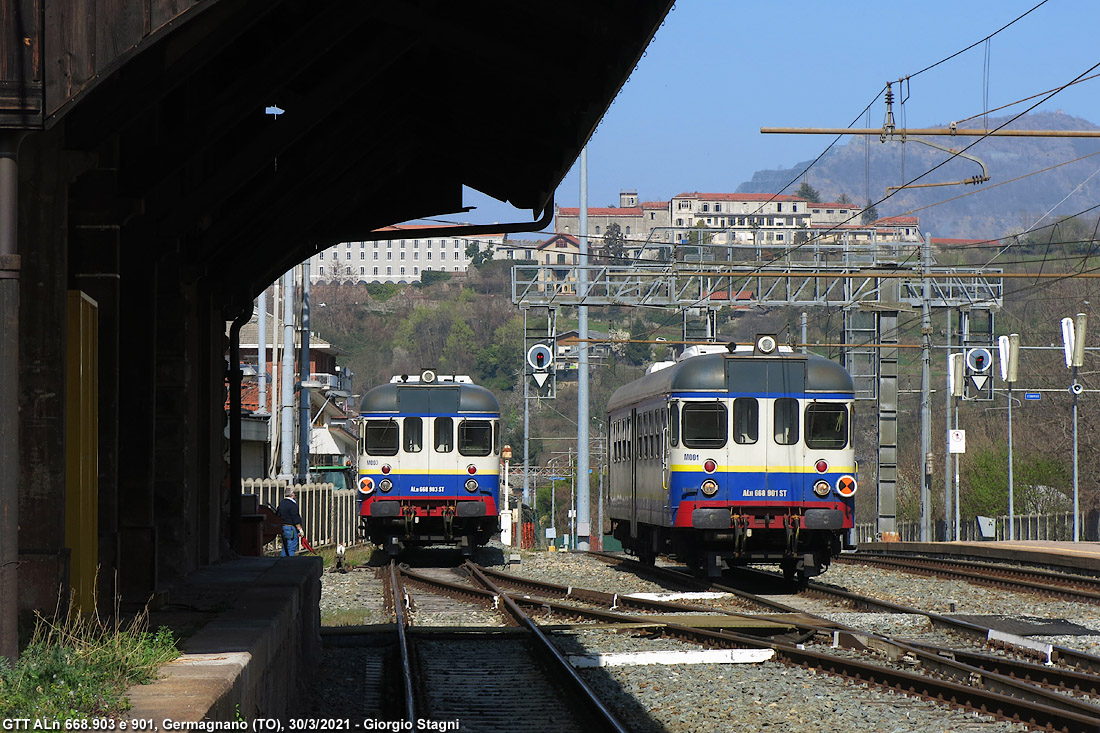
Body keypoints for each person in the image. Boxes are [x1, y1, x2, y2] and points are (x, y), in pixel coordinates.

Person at [277, 489, 304, 556]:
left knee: (285, 547)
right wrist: (300, 529)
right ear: (292, 494)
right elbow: (295, 517)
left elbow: (278, 514)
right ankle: (290, 562)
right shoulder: (293, 505)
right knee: (291, 547)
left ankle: (282, 561)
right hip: (291, 528)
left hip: (283, 527)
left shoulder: (282, 503)